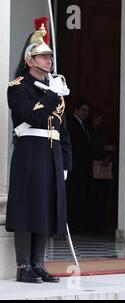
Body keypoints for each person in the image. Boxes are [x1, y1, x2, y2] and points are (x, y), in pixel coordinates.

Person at [6, 17, 72, 283]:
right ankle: (24, 267)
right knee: (26, 206)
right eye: (44, 57)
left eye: (50, 57)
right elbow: (31, 118)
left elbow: (62, 130)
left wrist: (66, 161)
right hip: (29, 152)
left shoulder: (55, 88)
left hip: (51, 153)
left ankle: (38, 263)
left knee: (46, 206)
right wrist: (51, 95)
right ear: (30, 60)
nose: (49, 61)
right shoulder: (18, 88)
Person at [66, 100, 93, 233]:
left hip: (83, 168)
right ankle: (72, 225)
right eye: (83, 110)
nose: (86, 113)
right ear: (76, 110)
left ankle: (77, 224)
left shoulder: (84, 125)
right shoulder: (71, 123)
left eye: (87, 111)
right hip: (75, 167)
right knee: (73, 196)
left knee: (81, 196)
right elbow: (71, 144)